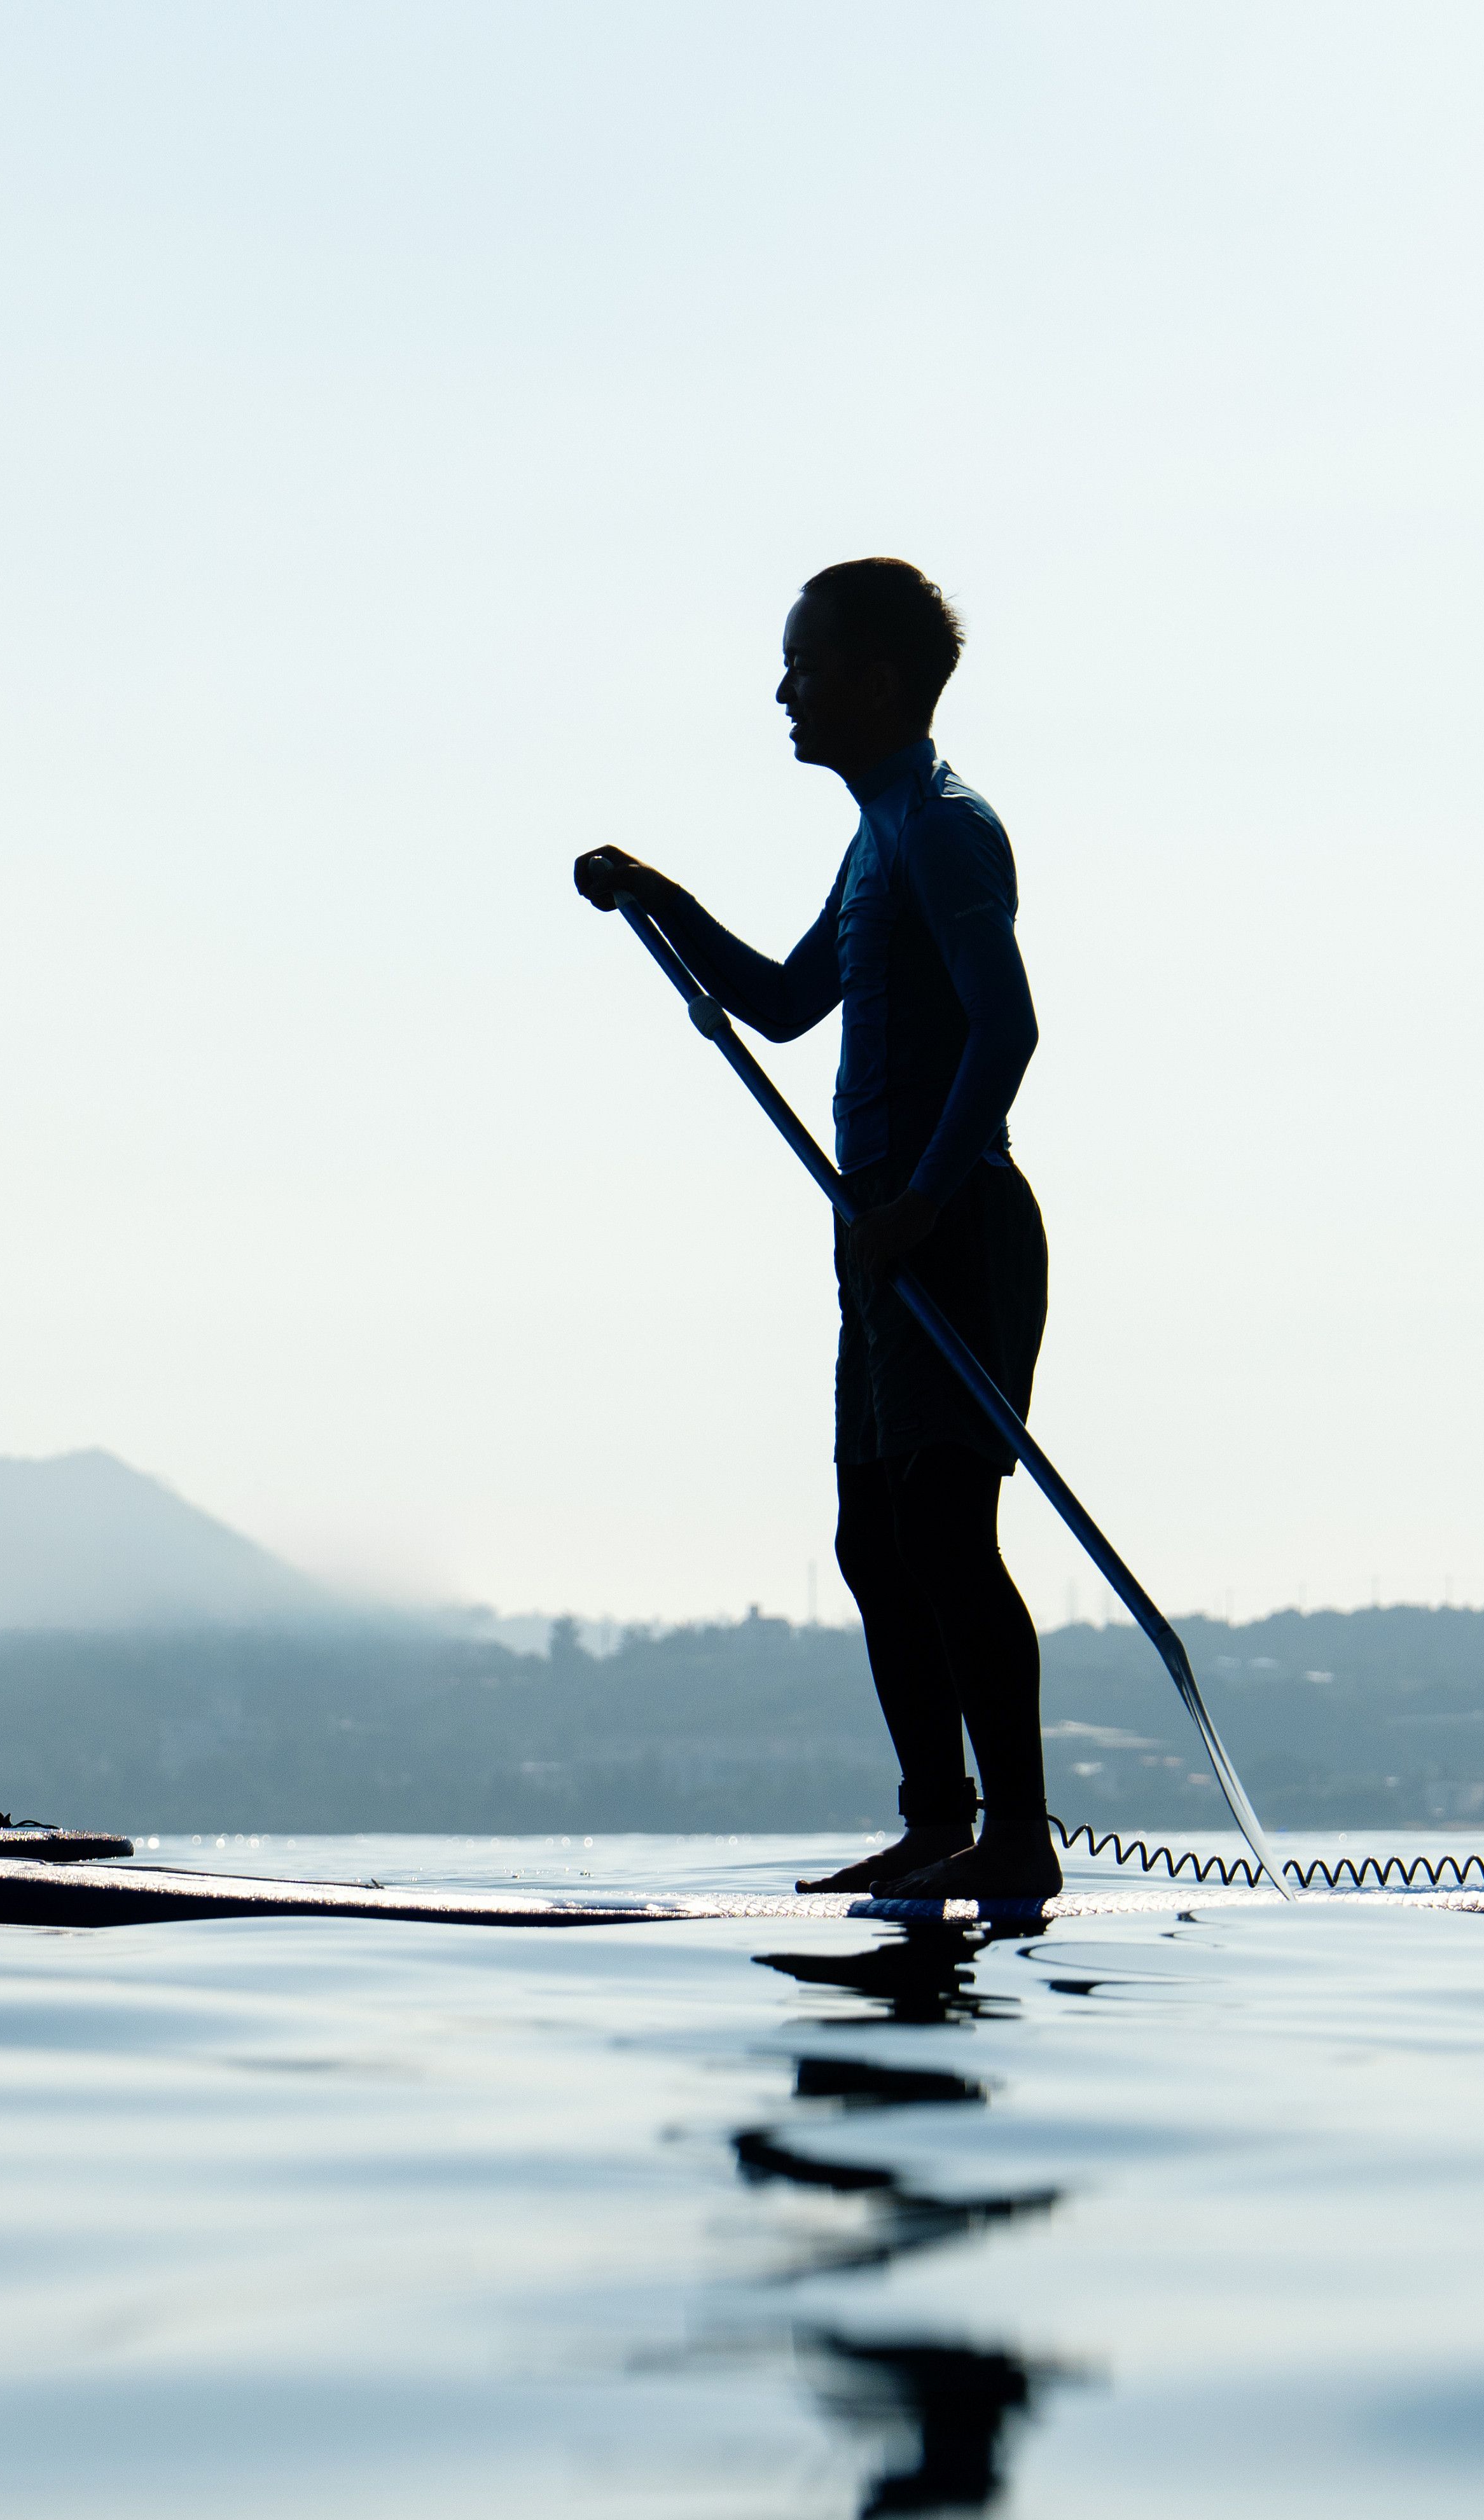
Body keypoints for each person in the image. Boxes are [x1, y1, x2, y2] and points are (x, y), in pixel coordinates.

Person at [577, 559, 1057, 1903]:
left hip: (951, 1229)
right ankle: (933, 1821)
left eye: (806, 662)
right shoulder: (874, 835)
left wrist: (916, 1199)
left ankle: (1015, 1834)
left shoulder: (945, 828)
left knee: (944, 1528)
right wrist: (656, 897)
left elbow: (1007, 1030)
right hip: (885, 1247)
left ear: (877, 680)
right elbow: (788, 1004)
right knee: (870, 1536)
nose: (783, 690)